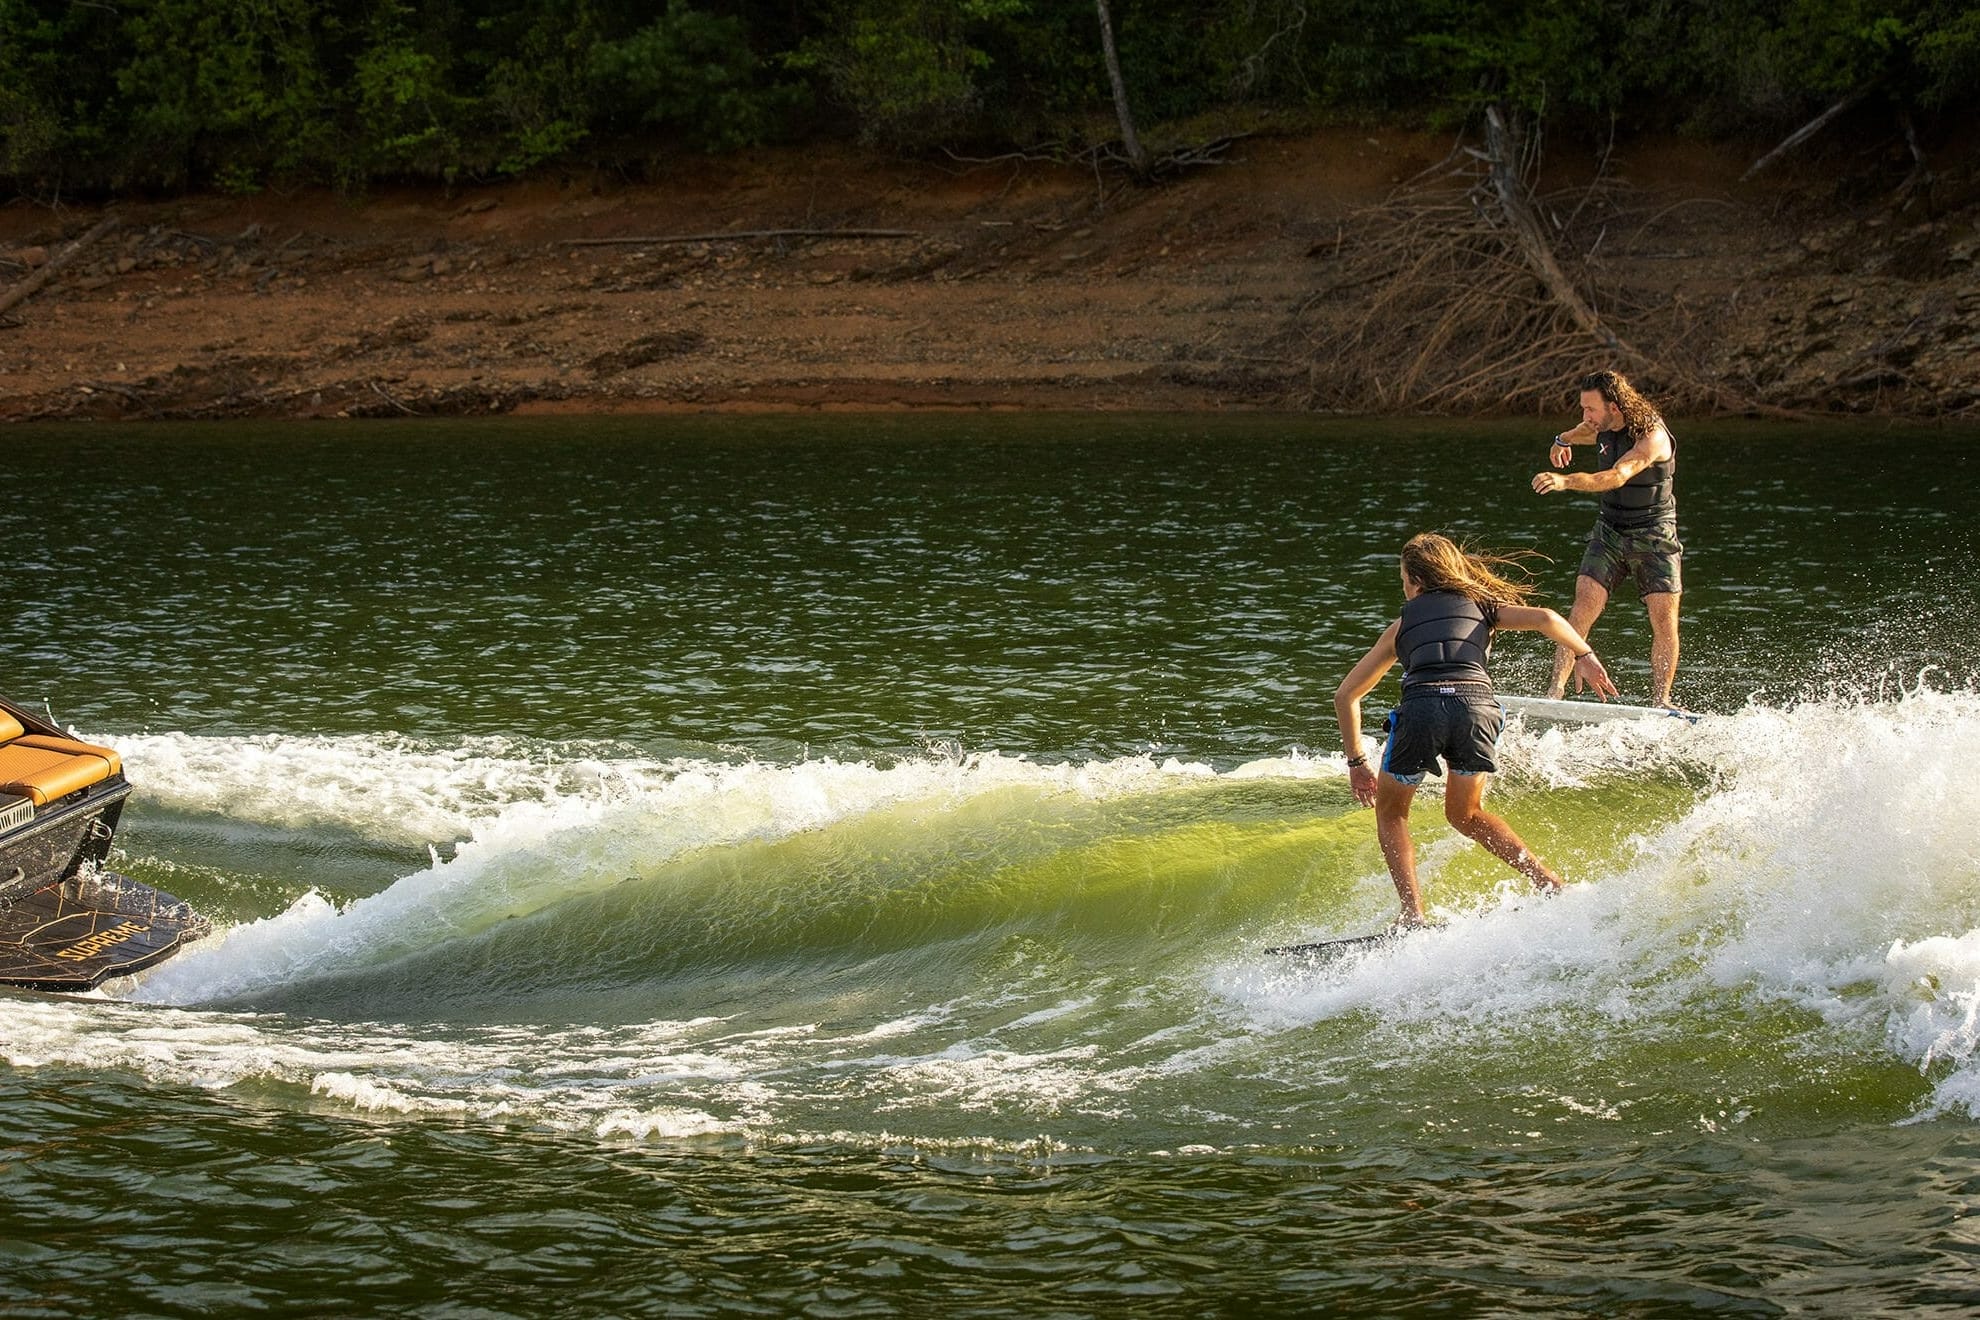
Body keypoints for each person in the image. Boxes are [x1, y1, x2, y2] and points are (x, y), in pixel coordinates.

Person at [1334, 532, 1618, 929]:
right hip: (1478, 711)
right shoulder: (1484, 606)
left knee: (1392, 812)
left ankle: (1412, 914)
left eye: (1403, 578)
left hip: (1423, 709)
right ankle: (1550, 884)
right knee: (1465, 814)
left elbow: (1346, 694)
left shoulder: (1402, 625)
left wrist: (1356, 763)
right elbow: (1548, 619)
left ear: (1414, 580)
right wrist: (1584, 655)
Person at [1530, 369, 1683, 707]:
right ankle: (1554, 692)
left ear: (1614, 407)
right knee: (1583, 603)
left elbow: (1616, 475)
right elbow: (1583, 433)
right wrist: (1562, 440)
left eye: (1591, 409)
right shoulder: (1599, 425)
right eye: (1583, 408)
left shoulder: (1652, 436)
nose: (1586, 416)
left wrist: (1565, 481)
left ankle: (1662, 701)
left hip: (1654, 533)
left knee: (1663, 617)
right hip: (1610, 530)